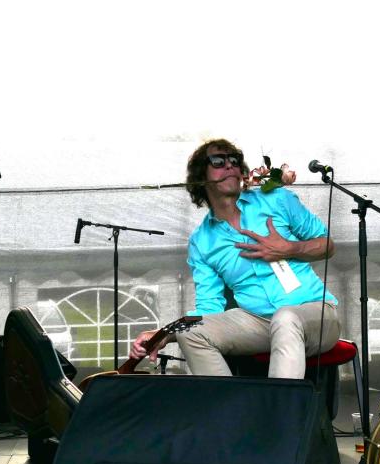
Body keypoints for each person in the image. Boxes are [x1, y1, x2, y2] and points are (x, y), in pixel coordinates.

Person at [130, 139, 339, 378]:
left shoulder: (277, 199)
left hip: (315, 313)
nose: (229, 165)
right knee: (192, 332)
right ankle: (230, 401)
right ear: (201, 176)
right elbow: (208, 308)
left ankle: (280, 402)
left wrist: (289, 248)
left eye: (234, 161)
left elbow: (328, 245)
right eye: (218, 161)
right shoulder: (201, 241)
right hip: (258, 321)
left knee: (286, 318)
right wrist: (165, 333)